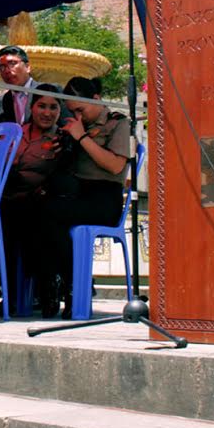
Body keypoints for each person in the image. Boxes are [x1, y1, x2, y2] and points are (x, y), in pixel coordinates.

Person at [36, 76, 130, 317]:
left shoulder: (118, 123)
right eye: (73, 111)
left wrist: (82, 138)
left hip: (104, 198)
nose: (78, 116)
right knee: (37, 211)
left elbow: (115, 166)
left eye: (81, 109)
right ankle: (59, 285)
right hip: (75, 194)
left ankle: (71, 286)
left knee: (51, 213)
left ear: (96, 99)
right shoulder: (77, 126)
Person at [0, 84, 71, 316]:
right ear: (32, 107)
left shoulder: (63, 140)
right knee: (2, 224)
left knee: (35, 221)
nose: (47, 113)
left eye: (53, 107)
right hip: (7, 199)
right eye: (42, 106)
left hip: (39, 202)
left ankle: (48, 290)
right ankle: (8, 294)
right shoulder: (15, 133)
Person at [0, 46, 36, 125]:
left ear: (27, 67)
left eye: (12, 64)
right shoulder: (0, 103)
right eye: (2, 67)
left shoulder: (47, 92)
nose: (7, 71)